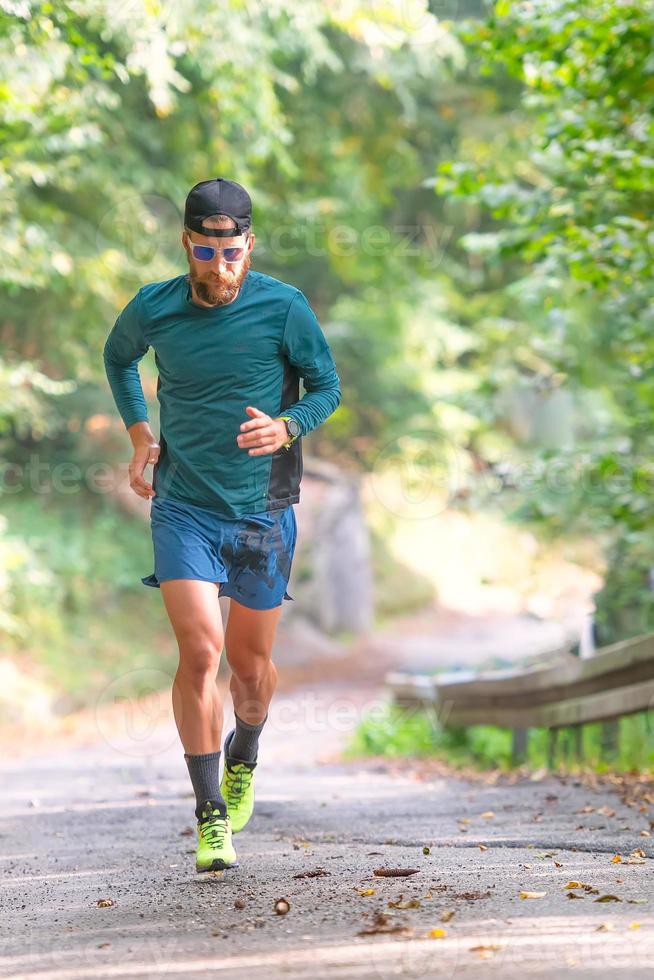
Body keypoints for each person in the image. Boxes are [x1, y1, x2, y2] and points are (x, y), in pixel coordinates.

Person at [103, 177, 341, 872]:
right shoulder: (154, 307)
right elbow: (119, 359)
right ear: (187, 244)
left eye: (231, 252)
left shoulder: (283, 307)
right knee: (200, 654)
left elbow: (326, 385)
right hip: (183, 506)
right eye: (205, 255)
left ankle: (246, 755)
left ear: (249, 244)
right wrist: (140, 433)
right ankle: (210, 816)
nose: (220, 267)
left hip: (263, 511)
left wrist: (289, 424)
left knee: (250, 669)